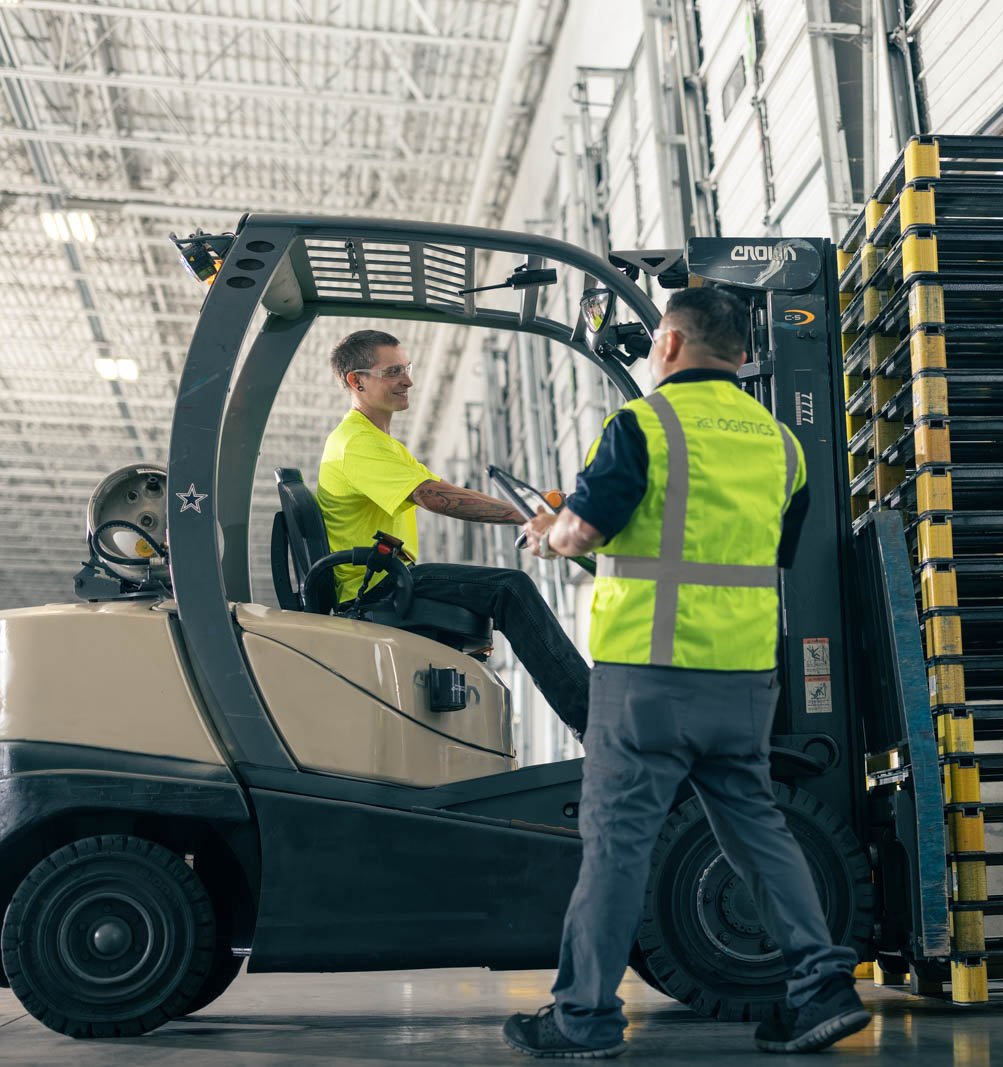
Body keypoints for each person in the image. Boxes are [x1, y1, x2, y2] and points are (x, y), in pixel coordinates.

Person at [502, 286, 865, 1058]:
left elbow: (586, 529)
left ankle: (584, 1017)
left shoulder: (644, 424)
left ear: (668, 344)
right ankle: (823, 986)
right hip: (740, 680)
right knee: (760, 831)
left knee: (617, 845)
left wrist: (548, 532)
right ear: (741, 355)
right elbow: (743, 555)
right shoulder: (782, 446)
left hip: (647, 681)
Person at [316, 329, 590, 733]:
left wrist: (536, 508)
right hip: (378, 588)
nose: (407, 380)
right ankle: (592, 721)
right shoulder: (354, 444)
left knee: (503, 588)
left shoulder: (379, 442)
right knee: (509, 589)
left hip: (389, 580)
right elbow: (434, 498)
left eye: (406, 368)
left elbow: (447, 491)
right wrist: (527, 516)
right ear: (357, 382)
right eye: (393, 371)